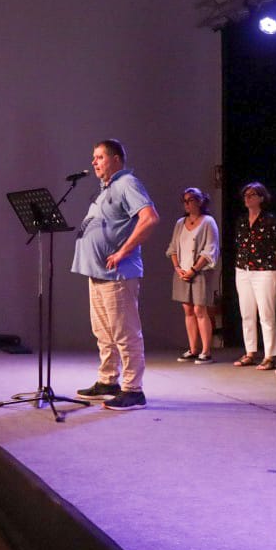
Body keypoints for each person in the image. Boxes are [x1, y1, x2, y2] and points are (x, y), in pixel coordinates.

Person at [71, 139, 158, 411]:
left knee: (125, 332)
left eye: (99, 157)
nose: (94, 162)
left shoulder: (127, 184)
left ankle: (133, 390)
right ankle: (108, 381)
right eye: (93, 157)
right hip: (97, 273)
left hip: (118, 274)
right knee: (104, 332)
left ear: (116, 159)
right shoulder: (105, 189)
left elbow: (150, 218)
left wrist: (122, 252)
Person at [229, 183, 276, 369]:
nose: (248, 198)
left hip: (265, 271)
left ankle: (269, 355)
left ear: (261, 198)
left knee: (266, 314)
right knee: (247, 313)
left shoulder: (270, 220)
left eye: (252, 195)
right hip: (243, 270)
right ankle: (250, 351)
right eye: (246, 195)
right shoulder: (242, 221)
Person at [167, 188, 220, 364]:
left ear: (200, 201)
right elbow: (173, 247)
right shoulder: (180, 223)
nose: (187, 204)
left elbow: (210, 250)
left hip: (200, 272)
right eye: (185, 200)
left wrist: (194, 269)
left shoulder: (208, 222)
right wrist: (177, 267)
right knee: (188, 309)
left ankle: (206, 351)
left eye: (191, 200)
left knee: (200, 310)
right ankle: (193, 348)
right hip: (182, 272)